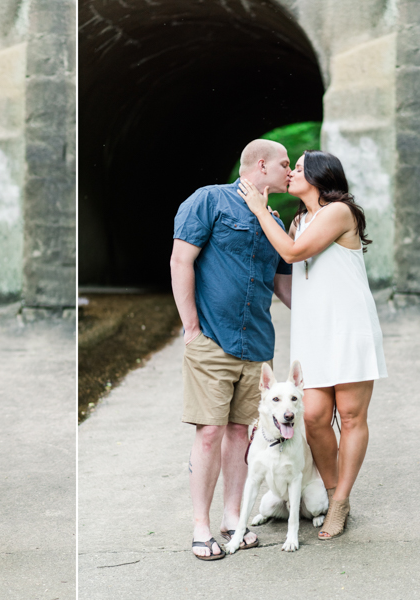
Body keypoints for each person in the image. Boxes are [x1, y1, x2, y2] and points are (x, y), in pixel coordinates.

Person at [237, 149, 388, 539]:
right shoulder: (298, 220)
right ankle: (336, 490)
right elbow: (288, 279)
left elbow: (292, 252)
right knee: (315, 416)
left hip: (348, 326)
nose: (291, 173)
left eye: (299, 168)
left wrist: (258, 210)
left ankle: (339, 503)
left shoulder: (339, 212)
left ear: (321, 176)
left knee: (351, 417)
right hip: (315, 331)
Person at [170, 139, 293, 560]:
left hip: (258, 347)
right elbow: (180, 260)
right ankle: (201, 527)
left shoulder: (274, 217)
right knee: (209, 434)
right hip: (213, 340)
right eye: (284, 164)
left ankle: (232, 518)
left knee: (242, 433)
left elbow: (284, 286)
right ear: (261, 165)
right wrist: (190, 329)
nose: (290, 171)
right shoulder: (209, 201)